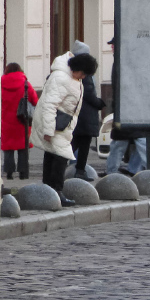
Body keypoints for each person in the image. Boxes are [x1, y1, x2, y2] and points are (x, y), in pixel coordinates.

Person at [33, 50, 97, 206]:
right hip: (56, 124)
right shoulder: (61, 78)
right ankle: (56, 190)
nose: (84, 78)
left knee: (53, 154)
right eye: (84, 74)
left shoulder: (71, 78)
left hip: (62, 123)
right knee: (61, 156)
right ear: (78, 69)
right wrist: (48, 130)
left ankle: (49, 191)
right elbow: (49, 105)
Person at [104, 36, 148, 175]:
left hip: (128, 108)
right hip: (130, 107)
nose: (111, 47)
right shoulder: (124, 59)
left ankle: (116, 171)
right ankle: (137, 170)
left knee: (127, 142)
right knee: (134, 141)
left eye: (113, 44)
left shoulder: (123, 60)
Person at [69, 41, 106, 179]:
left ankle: (73, 169)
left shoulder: (71, 69)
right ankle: (79, 170)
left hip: (77, 113)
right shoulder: (85, 71)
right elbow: (89, 93)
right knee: (82, 144)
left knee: (74, 143)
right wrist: (99, 103)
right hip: (85, 115)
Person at [0, 62, 37, 179]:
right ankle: (23, 172)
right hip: (22, 120)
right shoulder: (26, 84)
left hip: (6, 120)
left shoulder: (1, 84)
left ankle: (9, 173)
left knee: (8, 148)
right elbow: (35, 101)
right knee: (23, 147)